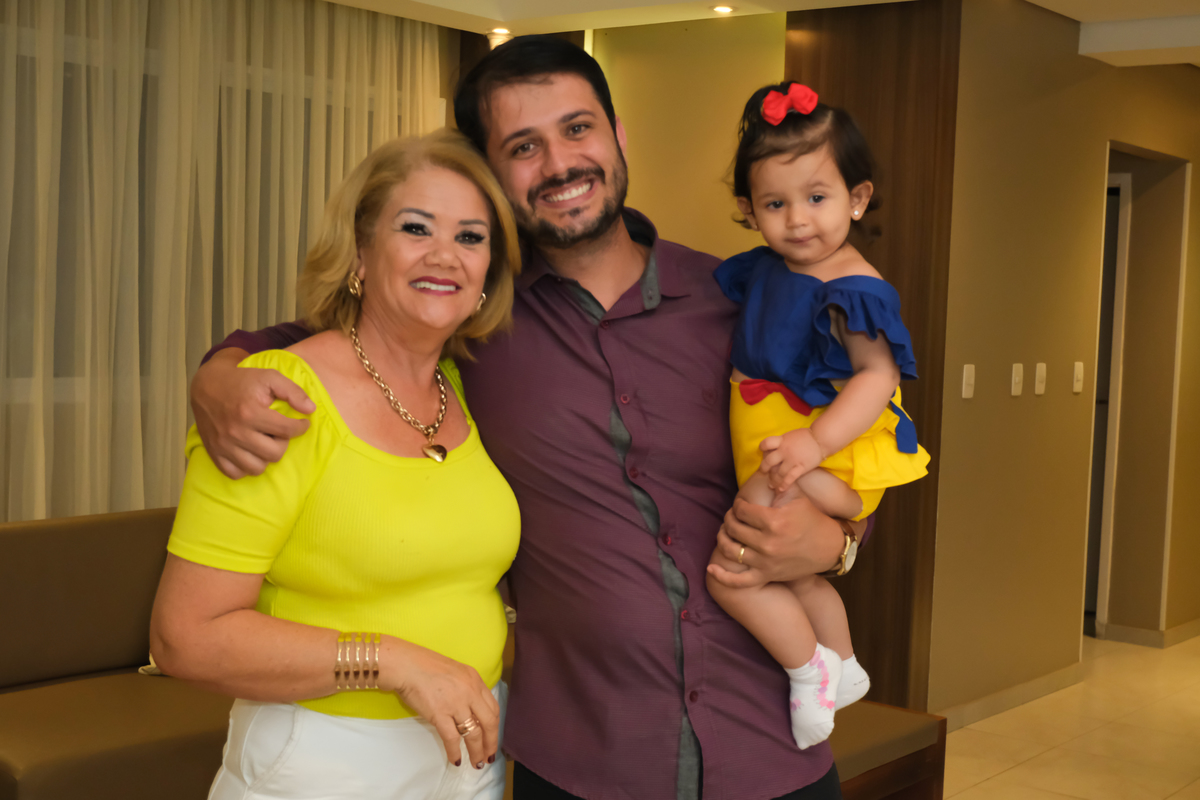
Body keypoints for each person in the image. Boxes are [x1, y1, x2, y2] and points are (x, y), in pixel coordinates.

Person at [190, 37, 870, 800]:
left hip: (771, 749)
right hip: (583, 761)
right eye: (523, 146)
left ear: (618, 135)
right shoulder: (473, 317)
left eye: (577, 129)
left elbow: (852, 438)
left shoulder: (741, 299)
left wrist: (838, 542)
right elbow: (349, 331)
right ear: (491, 172)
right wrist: (219, 373)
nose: (559, 163)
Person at [150, 130, 523, 800]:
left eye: (470, 237)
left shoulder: (465, 393)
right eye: (416, 228)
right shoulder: (277, 396)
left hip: (468, 759)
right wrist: (394, 663)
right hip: (323, 762)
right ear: (359, 252)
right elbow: (185, 639)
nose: (445, 254)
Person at [703, 83, 930, 752]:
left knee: (732, 573)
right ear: (748, 210)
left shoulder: (852, 287)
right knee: (794, 574)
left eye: (817, 198)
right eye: (776, 203)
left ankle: (811, 672)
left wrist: (812, 443)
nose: (798, 220)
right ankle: (846, 662)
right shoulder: (770, 269)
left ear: (857, 199)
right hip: (782, 441)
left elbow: (879, 376)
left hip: (817, 452)